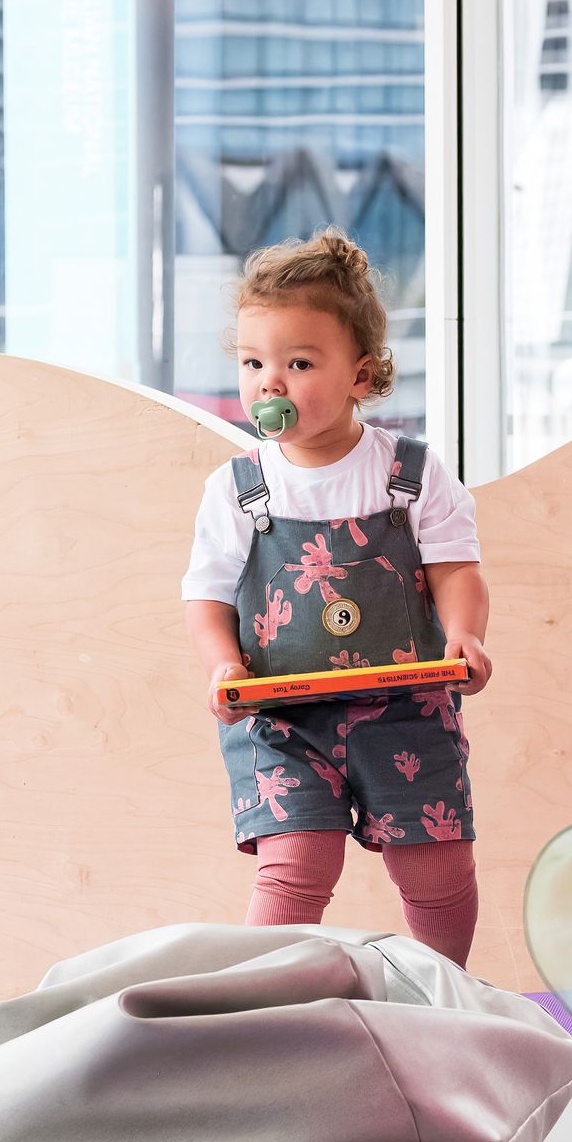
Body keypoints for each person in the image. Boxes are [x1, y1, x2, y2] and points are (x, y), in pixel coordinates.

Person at [182, 231, 494, 964]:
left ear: (362, 374)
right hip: (284, 718)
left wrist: (465, 635)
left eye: (298, 363)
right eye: (254, 363)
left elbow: (455, 567)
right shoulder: (237, 487)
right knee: (296, 863)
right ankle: (262, 1007)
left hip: (406, 709)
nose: (271, 383)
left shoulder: (410, 472)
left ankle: (447, 988)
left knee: (437, 865)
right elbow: (207, 596)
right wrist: (223, 666)